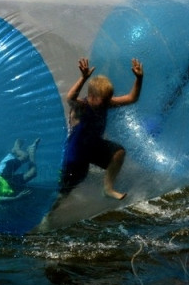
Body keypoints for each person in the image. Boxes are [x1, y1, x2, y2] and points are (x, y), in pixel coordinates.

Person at [61, 57, 143, 200]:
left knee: (118, 152)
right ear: (92, 96)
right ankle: (47, 217)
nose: (107, 102)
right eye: (104, 99)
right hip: (76, 152)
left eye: (108, 98)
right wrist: (83, 78)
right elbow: (70, 98)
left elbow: (131, 98)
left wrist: (139, 78)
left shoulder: (106, 103)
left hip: (94, 146)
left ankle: (108, 188)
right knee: (67, 190)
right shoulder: (82, 106)